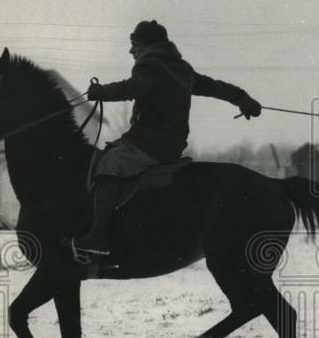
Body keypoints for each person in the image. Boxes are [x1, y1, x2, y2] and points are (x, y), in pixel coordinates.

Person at [71, 20, 262, 256]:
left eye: (134, 45)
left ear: (146, 46)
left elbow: (133, 88)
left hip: (149, 142)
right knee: (111, 152)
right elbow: (213, 86)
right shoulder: (181, 68)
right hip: (170, 142)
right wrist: (242, 98)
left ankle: (98, 237)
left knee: (108, 165)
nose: (131, 51)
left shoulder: (147, 64)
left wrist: (101, 92)